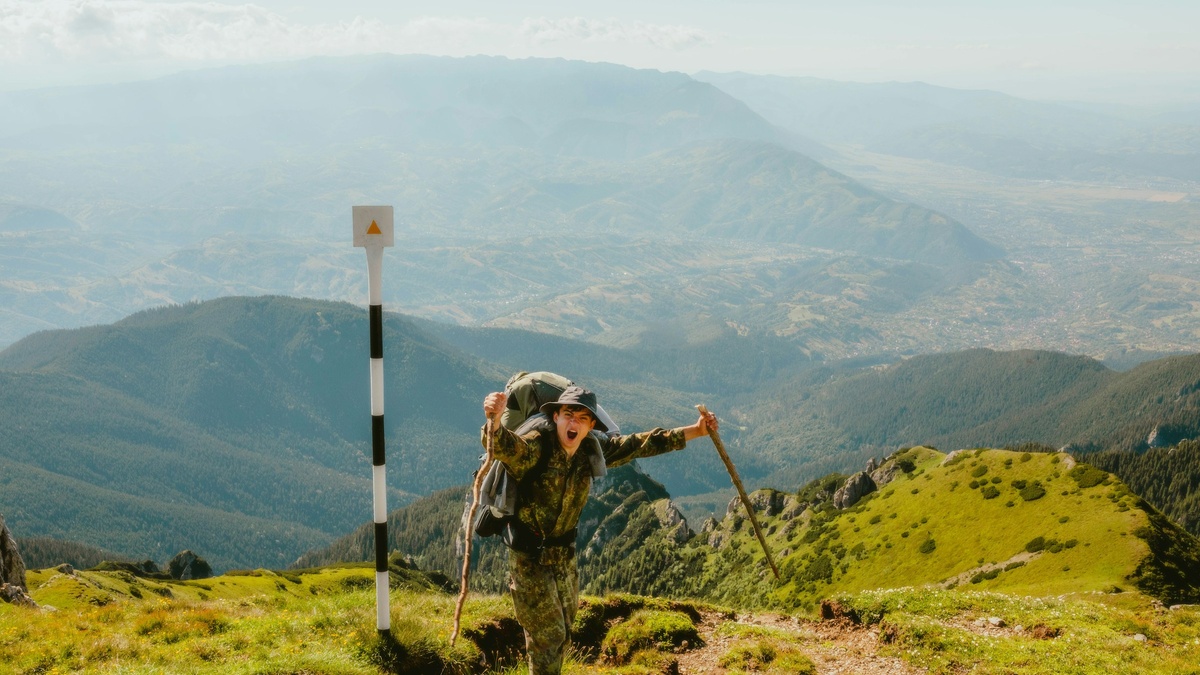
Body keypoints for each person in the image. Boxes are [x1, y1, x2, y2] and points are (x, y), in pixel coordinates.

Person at [480, 385, 718, 675]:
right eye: (568, 414)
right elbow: (504, 446)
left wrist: (696, 430)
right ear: (555, 416)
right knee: (548, 637)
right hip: (529, 558)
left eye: (583, 418)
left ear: (592, 425)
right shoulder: (537, 446)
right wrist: (493, 419)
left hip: (564, 556)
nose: (574, 423)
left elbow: (641, 444)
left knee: (565, 631)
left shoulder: (590, 449)